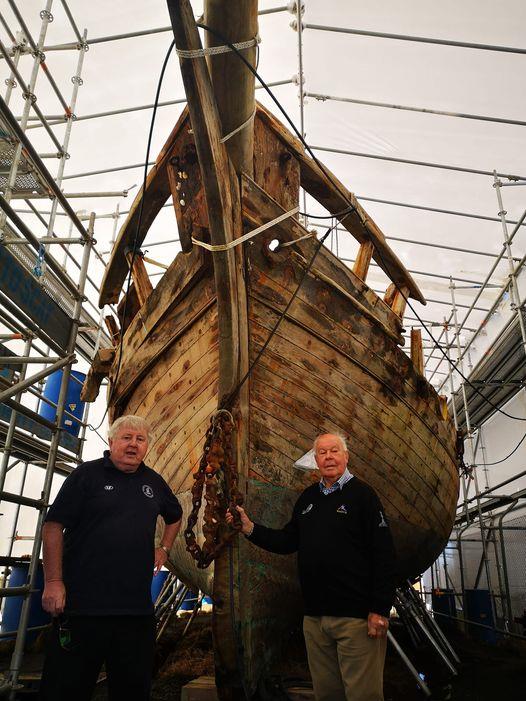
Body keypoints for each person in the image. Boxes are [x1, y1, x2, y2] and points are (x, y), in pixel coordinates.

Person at [227, 432, 396, 701]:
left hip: (356, 619)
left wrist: (380, 609)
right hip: (315, 620)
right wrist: (250, 528)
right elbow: (287, 541)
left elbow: (384, 554)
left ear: (346, 457)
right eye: (322, 453)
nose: (328, 457)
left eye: (334, 451)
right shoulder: (307, 499)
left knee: (363, 695)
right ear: (315, 460)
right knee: (327, 694)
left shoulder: (363, 496)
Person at [39, 415, 183, 701]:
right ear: (111, 441)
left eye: (140, 440)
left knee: (132, 692)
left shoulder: (154, 482)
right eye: (127, 438)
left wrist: (164, 548)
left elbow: (175, 515)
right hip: (82, 610)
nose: (133, 445)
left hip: (135, 614)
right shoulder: (86, 475)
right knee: (65, 690)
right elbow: (52, 526)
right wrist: (54, 580)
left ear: (147, 446)